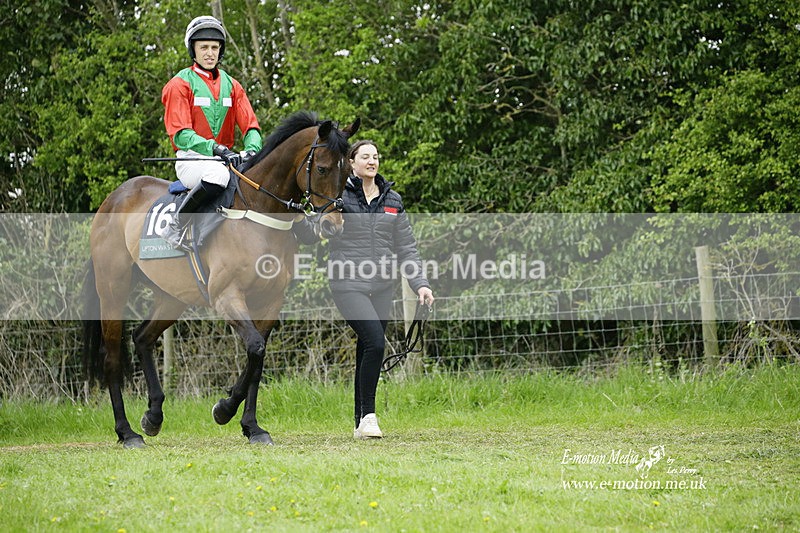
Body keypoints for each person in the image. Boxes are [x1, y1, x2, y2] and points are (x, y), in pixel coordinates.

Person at [295, 140, 434, 439]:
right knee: (375, 342)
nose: (372, 161)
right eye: (365, 157)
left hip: (383, 285)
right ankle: (370, 416)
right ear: (352, 163)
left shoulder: (392, 200)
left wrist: (420, 283)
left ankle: (360, 420)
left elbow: (406, 248)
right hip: (347, 283)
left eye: (375, 157)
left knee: (366, 349)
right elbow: (311, 232)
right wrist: (297, 220)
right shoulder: (339, 195)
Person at [160, 15, 263, 251]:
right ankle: (175, 226)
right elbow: (181, 134)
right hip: (192, 160)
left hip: (227, 160)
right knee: (218, 176)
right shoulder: (179, 84)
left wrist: (252, 150)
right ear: (193, 50)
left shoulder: (233, 85)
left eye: (214, 47)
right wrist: (214, 148)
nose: (209, 53)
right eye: (203, 47)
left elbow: (252, 127)